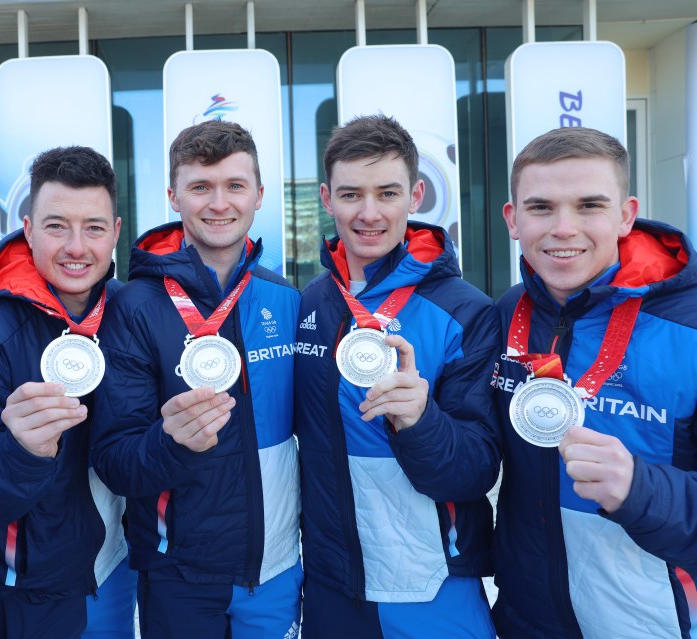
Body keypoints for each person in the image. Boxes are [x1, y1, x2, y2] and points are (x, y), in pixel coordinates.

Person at [90, 120, 301, 639]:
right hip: (176, 571)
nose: (219, 203)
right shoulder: (134, 307)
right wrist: (171, 443)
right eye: (200, 187)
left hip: (274, 568)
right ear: (173, 196)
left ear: (259, 195)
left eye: (234, 185)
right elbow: (115, 459)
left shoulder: (286, 299)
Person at [294, 114, 499, 638]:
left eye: (387, 193)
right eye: (350, 195)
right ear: (325, 198)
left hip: (433, 581)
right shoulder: (312, 302)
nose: (368, 213)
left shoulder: (466, 311)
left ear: (416, 194)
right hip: (334, 583)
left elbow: (477, 470)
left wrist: (422, 421)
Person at [492, 126, 697, 638]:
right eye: (541, 207)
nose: (564, 228)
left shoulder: (690, 329)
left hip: (654, 623)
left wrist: (642, 488)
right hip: (526, 619)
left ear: (625, 214)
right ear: (513, 220)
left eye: (588, 205)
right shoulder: (502, 316)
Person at [0, 146, 135, 639]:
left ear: (116, 232)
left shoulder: (130, 311)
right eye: (56, 225)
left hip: (121, 569)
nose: (76, 246)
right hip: (25, 591)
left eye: (93, 227)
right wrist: (20, 451)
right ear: (26, 229)